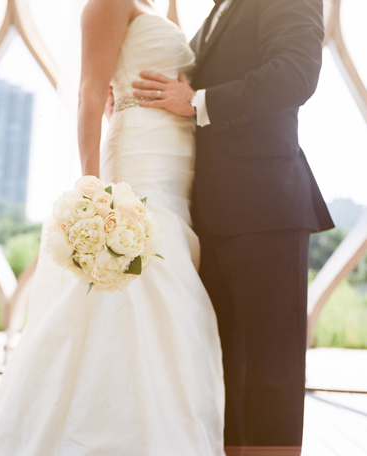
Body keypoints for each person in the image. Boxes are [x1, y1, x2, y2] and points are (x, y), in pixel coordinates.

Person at [0, 0, 226, 454]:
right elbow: (91, 91)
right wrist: (92, 189)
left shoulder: (157, 3)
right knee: (138, 289)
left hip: (179, 160)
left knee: (171, 293)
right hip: (141, 157)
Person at [132, 0, 333, 449]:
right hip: (206, 211)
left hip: (266, 207)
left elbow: (296, 73)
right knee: (222, 367)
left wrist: (199, 100)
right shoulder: (220, 10)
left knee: (272, 369)